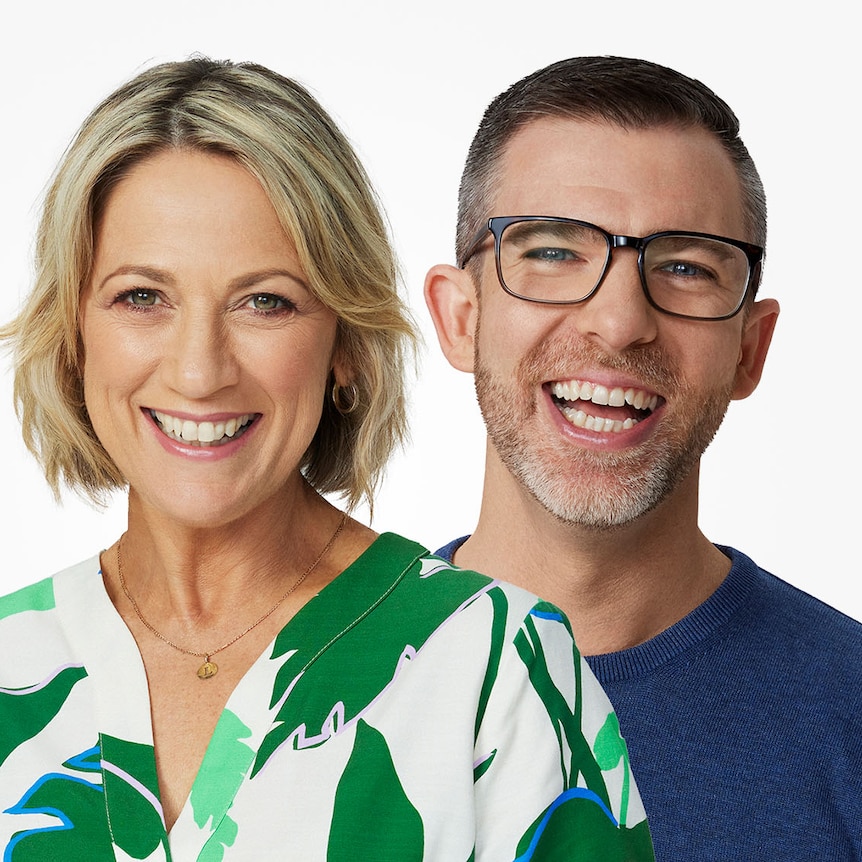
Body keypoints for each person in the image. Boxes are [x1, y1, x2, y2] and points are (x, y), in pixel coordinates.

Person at [0, 57, 654, 861]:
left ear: (345, 344)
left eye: (264, 302)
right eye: (143, 297)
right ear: (73, 333)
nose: (199, 371)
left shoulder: (494, 669)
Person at [425, 55, 862, 860]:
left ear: (750, 350)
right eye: (553, 253)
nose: (620, 322)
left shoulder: (852, 716)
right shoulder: (300, 705)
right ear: (459, 318)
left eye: (687, 267)